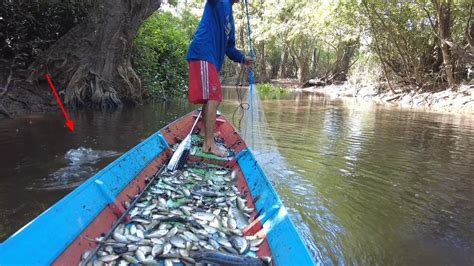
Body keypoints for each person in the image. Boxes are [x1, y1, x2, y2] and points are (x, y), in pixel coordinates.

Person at [187, 0, 252, 157]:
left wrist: (244, 59)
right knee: (214, 97)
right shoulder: (219, 2)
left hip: (211, 59)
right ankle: (209, 145)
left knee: (209, 97)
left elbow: (229, 48)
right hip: (203, 52)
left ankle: (204, 132)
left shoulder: (230, 16)